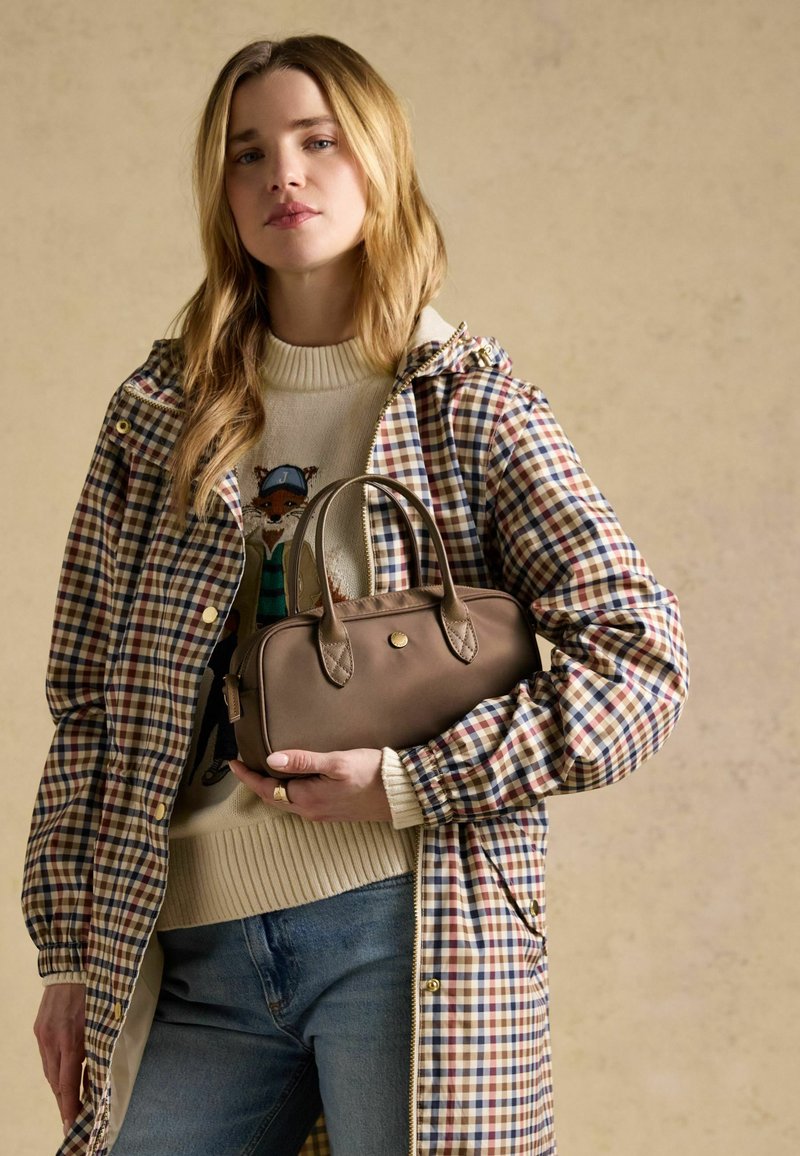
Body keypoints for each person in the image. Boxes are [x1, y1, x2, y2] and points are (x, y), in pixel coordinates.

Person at [23, 34, 689, 1156]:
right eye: (248, 153)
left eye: (317, 141)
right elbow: (87, 695)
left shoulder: (467, 405)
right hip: (186, 943)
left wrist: (410, 783)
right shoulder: (159, 413)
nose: (282, 174)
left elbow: (640, 660)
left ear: (377, 161)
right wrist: (69, 951)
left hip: (405, 935)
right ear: (220, 190)